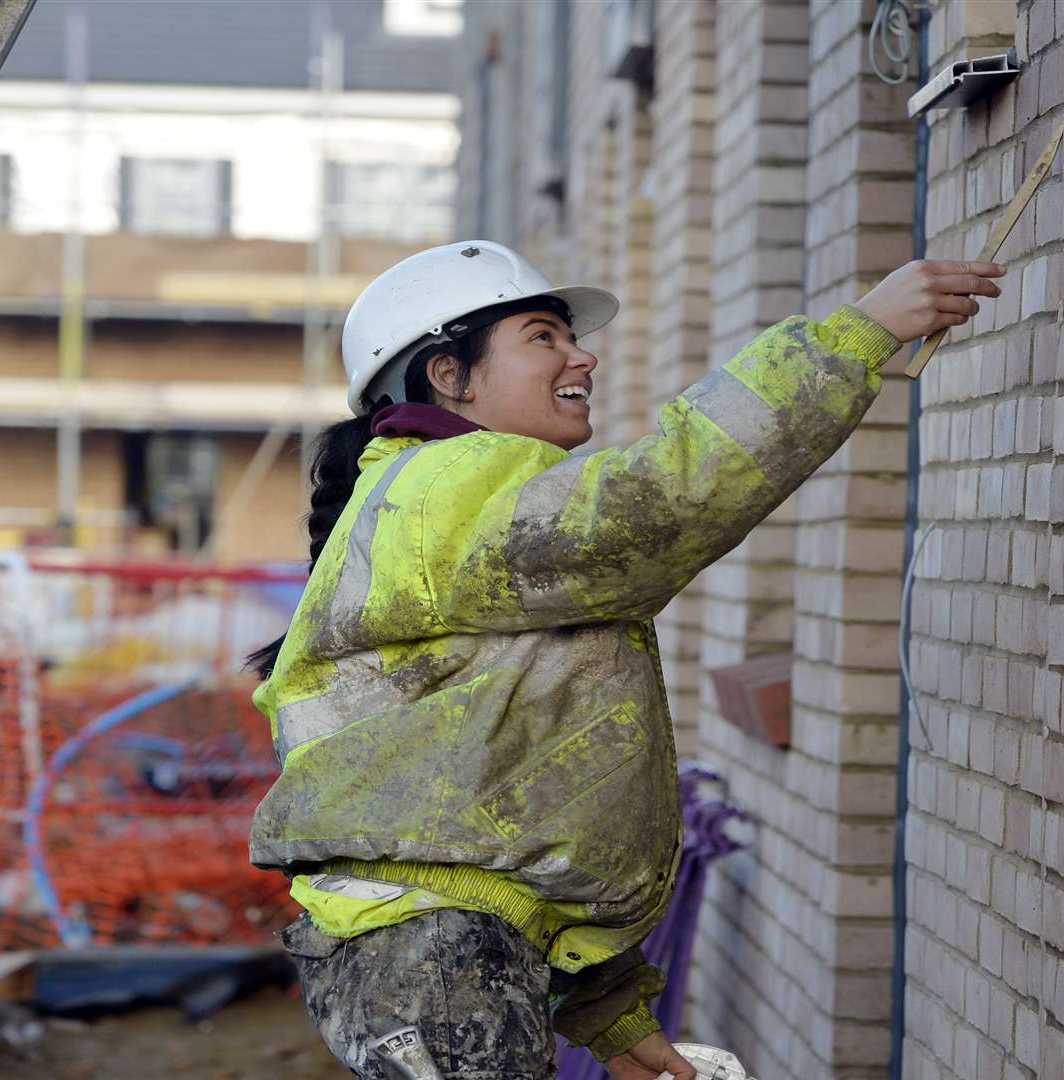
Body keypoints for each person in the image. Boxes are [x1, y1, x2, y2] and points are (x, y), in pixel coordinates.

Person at [248, 240, 1003, 1079]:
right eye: (543, 337)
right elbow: (663, 501)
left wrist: (607, 1011)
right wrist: (857, 335)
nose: (583, 356)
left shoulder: (437, 498)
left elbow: (502, 796)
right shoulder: (446, 485)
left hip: (438, 951)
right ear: (448, 376)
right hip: (438, 957)